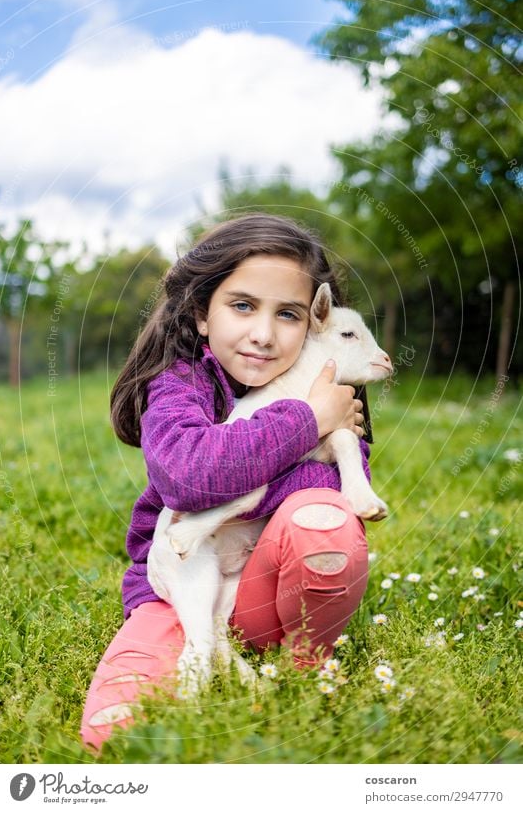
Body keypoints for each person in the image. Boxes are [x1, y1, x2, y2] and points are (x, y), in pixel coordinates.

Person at [80, 212, 372, 751]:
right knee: (115, 726)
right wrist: (306, 424)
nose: (263, 334)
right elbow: (189, 477)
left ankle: (305, 668)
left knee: (323, 522)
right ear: (201, 315)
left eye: (288, 314)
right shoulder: (180, 386)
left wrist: (319, 428)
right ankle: (193, 651)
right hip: (182, 585)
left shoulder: (330, 392)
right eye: (242, 306)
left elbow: (343, 496)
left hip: (267, 591)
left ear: (317, 325)